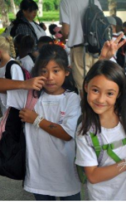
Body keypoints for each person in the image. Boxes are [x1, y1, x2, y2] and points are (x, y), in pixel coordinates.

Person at [5, 44, 81, 200]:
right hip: (38, 177)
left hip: (66, 175)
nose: (49, 77)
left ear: (66, 72)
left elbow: (67, 133)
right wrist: (23, 84)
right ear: (37, 72)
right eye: (44, 71)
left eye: (56, 71)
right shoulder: (30, 95)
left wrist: (36, 119)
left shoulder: (72, 98)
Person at [75, 60, 126, 200]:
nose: (101, 99)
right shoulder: (85, 131)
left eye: (109, 93)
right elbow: (93, 176)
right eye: (95, 90)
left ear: (119, 94)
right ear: (86, 87)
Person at [59, 0, 102, 92]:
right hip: (96, 49)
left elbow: (66, 31)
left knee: (83, 87)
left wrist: (62, 38)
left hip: (79, 50)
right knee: (97, 85)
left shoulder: (65, 2)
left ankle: (85, 106)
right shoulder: (94, 1)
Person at [0, 36, 23, 115]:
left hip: (12, 113)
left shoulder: (13, 67)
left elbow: (19, 91)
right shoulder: (1, 65)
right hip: (3, 111)